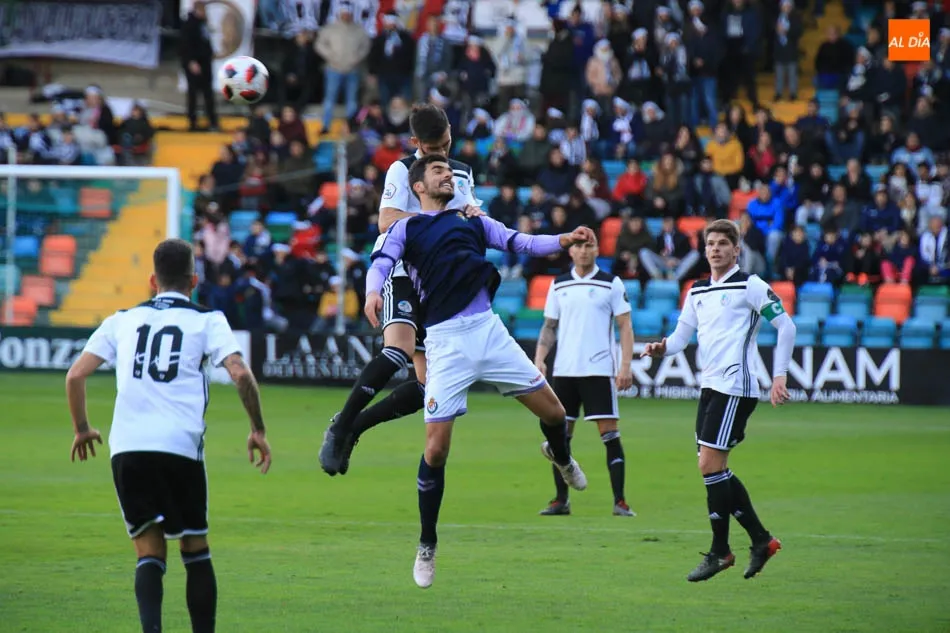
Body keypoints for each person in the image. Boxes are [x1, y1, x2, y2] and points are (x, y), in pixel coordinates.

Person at [366, 154, 594, 588]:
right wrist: (372, 292)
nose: (447, 175)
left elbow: (521, 243)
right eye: (438, 172)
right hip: (446, 343)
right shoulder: (407, 227)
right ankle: (427, 544)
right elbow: (381, 261)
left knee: (554, 415)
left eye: (449, 172)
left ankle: (561, 456)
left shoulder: (473, 220)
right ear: (418, 187)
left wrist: (564, 239)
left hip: (489, 331)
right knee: (436, 451)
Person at [65, 239, 272, 632]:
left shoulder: (121, 319)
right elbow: (241, 373)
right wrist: (257, 428)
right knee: (194, 547)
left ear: (151, 281)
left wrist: (82, 429)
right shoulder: (207, 320)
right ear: (193, 281)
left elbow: (75, 375)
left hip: (127, 449)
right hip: (179, 447)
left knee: (148, 550)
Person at [319, 104, 481, 476]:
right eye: (433, 146)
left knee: (426, 389)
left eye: (446, 142)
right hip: (399, 268)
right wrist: (439, 223)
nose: (442, 152)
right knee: (397, 352)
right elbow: (387, 219)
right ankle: (341, 424)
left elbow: (469, 215)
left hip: (436, 281)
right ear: (414, 143)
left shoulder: (462, 172)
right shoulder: (401, 169)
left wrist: (475, 220)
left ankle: (354, 427)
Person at [641, 219, 793, 583]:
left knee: (709, 466)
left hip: (736, 387)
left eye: (723, 244)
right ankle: (761, 540)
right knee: (715, 470)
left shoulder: (750, 286)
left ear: (736, 250)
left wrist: (779, 375)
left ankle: (720, 551)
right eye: (710, 244)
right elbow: (680, 338)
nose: (715, 249)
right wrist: (661, 348)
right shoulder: (697, 290)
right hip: (709, 388)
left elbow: (786, 326)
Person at [533, 234, 636, 517]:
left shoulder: (611, 282)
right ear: (571, 251)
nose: (583, 250)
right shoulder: (559, 284)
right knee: (559, 439)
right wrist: (539, 359)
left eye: (589, 245)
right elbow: (549, 326)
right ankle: (560, 500)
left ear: (597, 249)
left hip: (598, 370)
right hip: (565, 371)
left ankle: (620, 501)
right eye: (578, 245)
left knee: (610, 435)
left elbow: (625, 326)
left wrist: (625, 365)